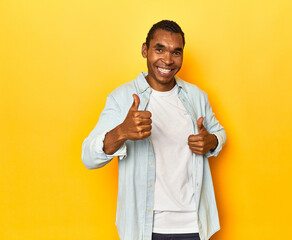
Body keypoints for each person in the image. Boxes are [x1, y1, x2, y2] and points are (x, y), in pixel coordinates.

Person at [81, 20, 226, 240]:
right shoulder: (122, 97)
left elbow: (219, 133)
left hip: (193, 225)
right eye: (159, 49)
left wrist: (212, 141)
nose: (168, 60)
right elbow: (89, 157)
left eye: (176, 52)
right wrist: (122, 131)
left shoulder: (197, 96)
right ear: (144, 50)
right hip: (144, 227)